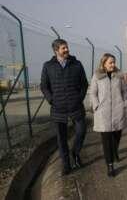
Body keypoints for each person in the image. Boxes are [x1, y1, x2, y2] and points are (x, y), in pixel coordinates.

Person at [40, 39, 88, 176]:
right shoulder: (48, 66)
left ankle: (75, 152)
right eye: (63, 48)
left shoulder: (77, 64)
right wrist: (51, 100)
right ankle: (66, 164)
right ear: (56, 51)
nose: (66, 50)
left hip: (76, 106)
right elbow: (44, 86)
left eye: (67, 47)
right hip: (58, 108)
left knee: (81, 131)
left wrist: (79, 98)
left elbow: (84, 84)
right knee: (61, 139)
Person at [90, 53, 127, 177]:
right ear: (104, 63)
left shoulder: (119, 75)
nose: (113, 64)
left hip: (118, 111)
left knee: (116, 137)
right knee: (106, 141)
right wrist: (96, 106)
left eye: (114, 62)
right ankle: (110, 165)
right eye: (110, 62)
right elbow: (93, 93)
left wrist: (124, 102)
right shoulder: (97, 76)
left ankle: (115, 151)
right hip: (103, 113)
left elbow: (124, 90)